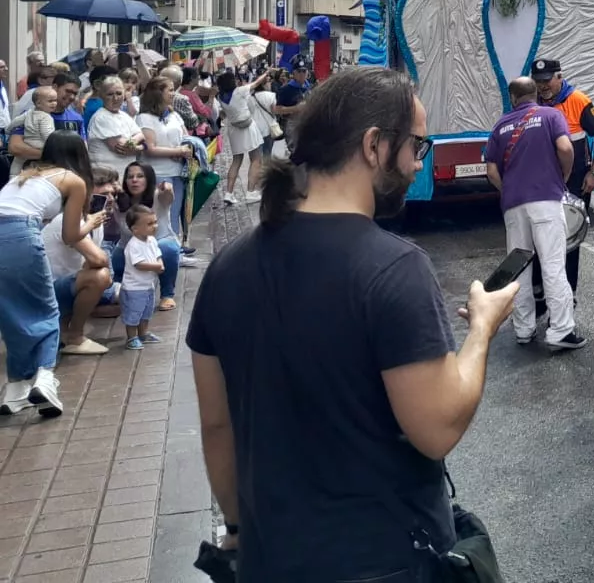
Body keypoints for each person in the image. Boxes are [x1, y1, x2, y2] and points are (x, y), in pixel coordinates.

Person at [186, 66, 518, 581]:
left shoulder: (227, 266)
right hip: (382, 561)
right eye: (415, 147)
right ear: (373, 145)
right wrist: (482, 329)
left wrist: (237, 527)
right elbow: (436, 428)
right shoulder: (393, 267)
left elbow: (217, 423)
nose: (415, 164)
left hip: (269, 559)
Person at [482, 77, 583, 352]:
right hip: (546, 200)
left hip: (513, 205)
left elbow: (491, 171)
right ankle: (561, 330)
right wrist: (563, 175)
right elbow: (565, 147)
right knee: (552, 264)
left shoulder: (500, 125)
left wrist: (509, 190)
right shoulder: (551, 115)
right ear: (536, 94)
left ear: (512, 98)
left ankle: (524, 330)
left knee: (519, 268)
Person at [0, 132, 95, 417]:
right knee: (47, 310)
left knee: (11, 314)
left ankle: (15, 388)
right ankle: (44, 378)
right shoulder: (73, 180)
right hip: (20, 234)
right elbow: (70, 236)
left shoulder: (25, 174)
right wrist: (89, 223)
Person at [532, 57, 594, 305]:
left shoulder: (578, 100)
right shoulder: (533, 103)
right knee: (539, 236)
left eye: (547, 81)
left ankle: (568, 293)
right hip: (543, 181)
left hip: (576, 181)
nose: (543, 86)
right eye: (538, 82)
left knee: (570, 238)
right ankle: (539, 292)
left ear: (559, 77)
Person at [44, 167, 116, 356]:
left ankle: (66, 325)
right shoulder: (67, 220)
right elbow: (98, 259)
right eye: (104, 194)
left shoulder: (96, 222)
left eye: (112, 193)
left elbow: (90, 262)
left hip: (68, 284)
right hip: (46, 291)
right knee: (100, 277)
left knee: (135, 296)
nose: (110, 199)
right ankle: (75, 336)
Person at [115, 162, 181, 310]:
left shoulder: (158, 196)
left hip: (160, 241)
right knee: (117, 256)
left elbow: (168, 197)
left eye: (140, 176)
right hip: (129, 245)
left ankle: (167, 294)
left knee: (169, 249)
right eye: (130, 177)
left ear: (149, 179)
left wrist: (168, 189)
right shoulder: (118, 201)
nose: (134, 180)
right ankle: (119, 295)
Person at [137, 78, 194, 249]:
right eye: (169, 90)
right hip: (158, 171)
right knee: (161, 214)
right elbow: (150, 148)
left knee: (175, 213)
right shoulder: (144, 118)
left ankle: (175, 248)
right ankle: (158, 248)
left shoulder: (174, 115)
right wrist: (177, 152)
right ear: (157, 93)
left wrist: (186, 149)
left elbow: (186, 137)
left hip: (178, 171)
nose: (173, 93)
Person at [216, 70, 271, 205]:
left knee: (236, 161)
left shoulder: (220, 96)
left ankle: (229, 193)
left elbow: (223, 113)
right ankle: (250, 191)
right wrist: (267, 72)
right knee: (256, 159)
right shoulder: (239, 91)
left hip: (234, 129)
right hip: (247, 127)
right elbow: (256, 83)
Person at [119, 205, 164, 349]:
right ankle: (131, 337)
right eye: (149, 224)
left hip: (148, 285)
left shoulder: (151, 240)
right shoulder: (133, 245)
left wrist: (160, 263)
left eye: (155, 222)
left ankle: (143, 333)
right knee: (133, 313)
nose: (154, 226)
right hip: (134, 287)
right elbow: (139, 264)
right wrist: (157, 267)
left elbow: (158, 254)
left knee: (146, 313)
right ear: (135, 229)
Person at [87, 76, 145, 177]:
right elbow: (122, 148)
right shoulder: (101, 117)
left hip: (123, 177)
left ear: (124, 95)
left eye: (119, 93)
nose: (115, 98)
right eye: (110, 94)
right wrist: (142, 147)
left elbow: (142, 136)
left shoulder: (124, 115)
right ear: (102, 96)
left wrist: (138, 145)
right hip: (105, 178)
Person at [8, 84, 57, 178]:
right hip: (40, 144)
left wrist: (7, 129)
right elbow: (47, 135)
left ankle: (13, 177)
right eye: (50, 101)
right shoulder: (46, 117)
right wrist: (53, 146)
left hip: (27, 142)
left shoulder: (28, 113)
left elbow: (16, 121)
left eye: (55, 100)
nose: (54, 103)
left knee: (18, 161)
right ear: (38, 103)